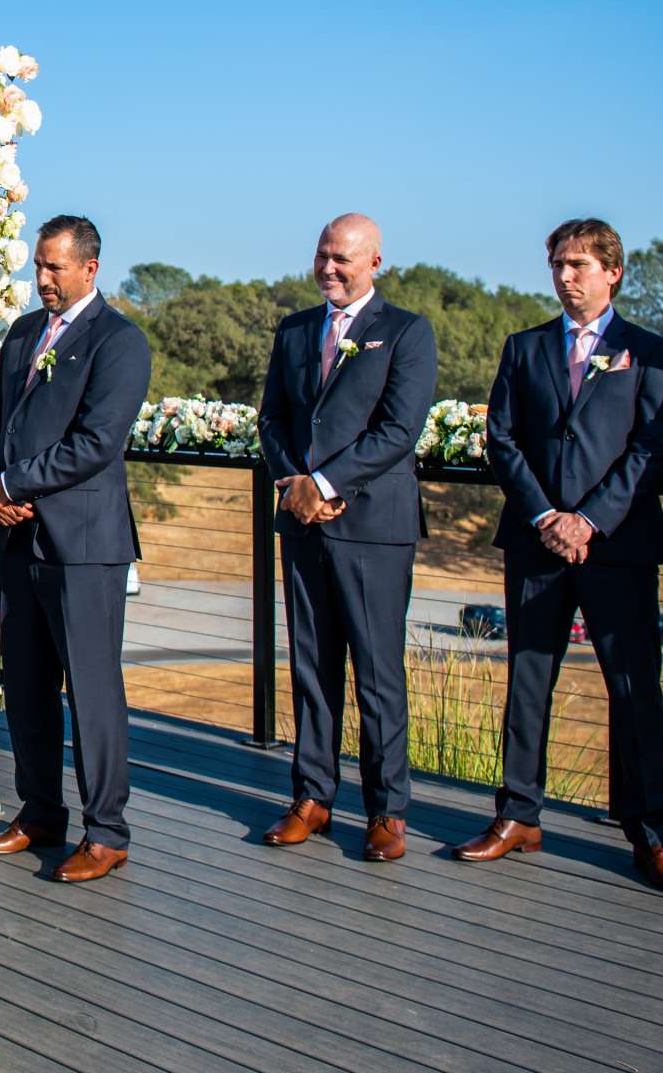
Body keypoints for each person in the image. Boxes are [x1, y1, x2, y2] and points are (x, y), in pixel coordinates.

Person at [462, 218, 663, 892]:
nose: (565, 277)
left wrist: (588, 520)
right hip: (535, 541)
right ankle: (519, 815)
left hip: (617, 545)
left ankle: (651, 834)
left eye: (580, 265)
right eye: (558, 264)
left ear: (613, 272)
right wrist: (546, 516)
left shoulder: (649, 351)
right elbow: (502, 439)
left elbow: (652, 447)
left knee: (633, 687)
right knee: (528, 681)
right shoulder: (524, 347)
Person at [0, 214, 152, 884]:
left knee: (95, 691)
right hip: (16, 533)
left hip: (85, 542)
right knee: (26, 683)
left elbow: (96, 443)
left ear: (90, 269)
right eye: (38, 266)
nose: (41, 278)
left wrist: (14, 482)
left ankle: (107, 831)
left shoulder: (120, 342)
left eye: (54, 268)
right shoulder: (21, 334)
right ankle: (41, 810)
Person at [256, 213, 437, 861]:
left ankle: (388, 810)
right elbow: (272, 418)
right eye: (323, 256)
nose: (329, 269)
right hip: (302, 524)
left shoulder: (407, 333)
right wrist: (294, 483)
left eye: (344, 259)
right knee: (311, 665)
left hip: (372, 528)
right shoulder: (295, 329)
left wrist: (326, 484)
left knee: (378, 674)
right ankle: (313, 797)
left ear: (375, 264)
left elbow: (398, 430)